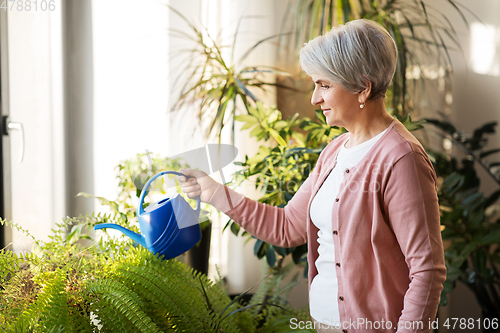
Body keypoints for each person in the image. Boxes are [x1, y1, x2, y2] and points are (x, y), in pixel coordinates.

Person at [178, 19, 446, 333]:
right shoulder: (334, 152)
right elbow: (286, 227)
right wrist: (213, 193)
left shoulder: (401, 158)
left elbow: (427, 270)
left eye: (324, 85)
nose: (314, 99)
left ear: (363, 86)